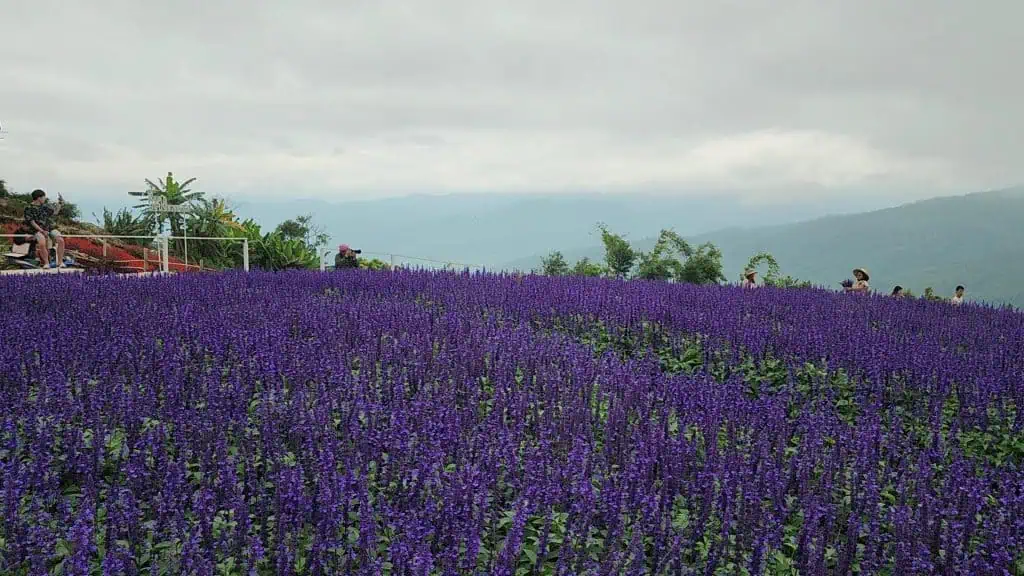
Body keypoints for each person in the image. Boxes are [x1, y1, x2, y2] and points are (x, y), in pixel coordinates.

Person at [23, 189, 66, 268]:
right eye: (43, 197)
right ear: (39, 198)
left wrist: (60, 203)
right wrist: (42, 231)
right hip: (37, 229)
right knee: (42, 243)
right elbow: (32, 222)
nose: (44, 199)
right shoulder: (28, 208)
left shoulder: (45, 207)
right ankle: (46, 263)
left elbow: (55, 212)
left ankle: (60, 262)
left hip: (49, 228)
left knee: (61, 240)